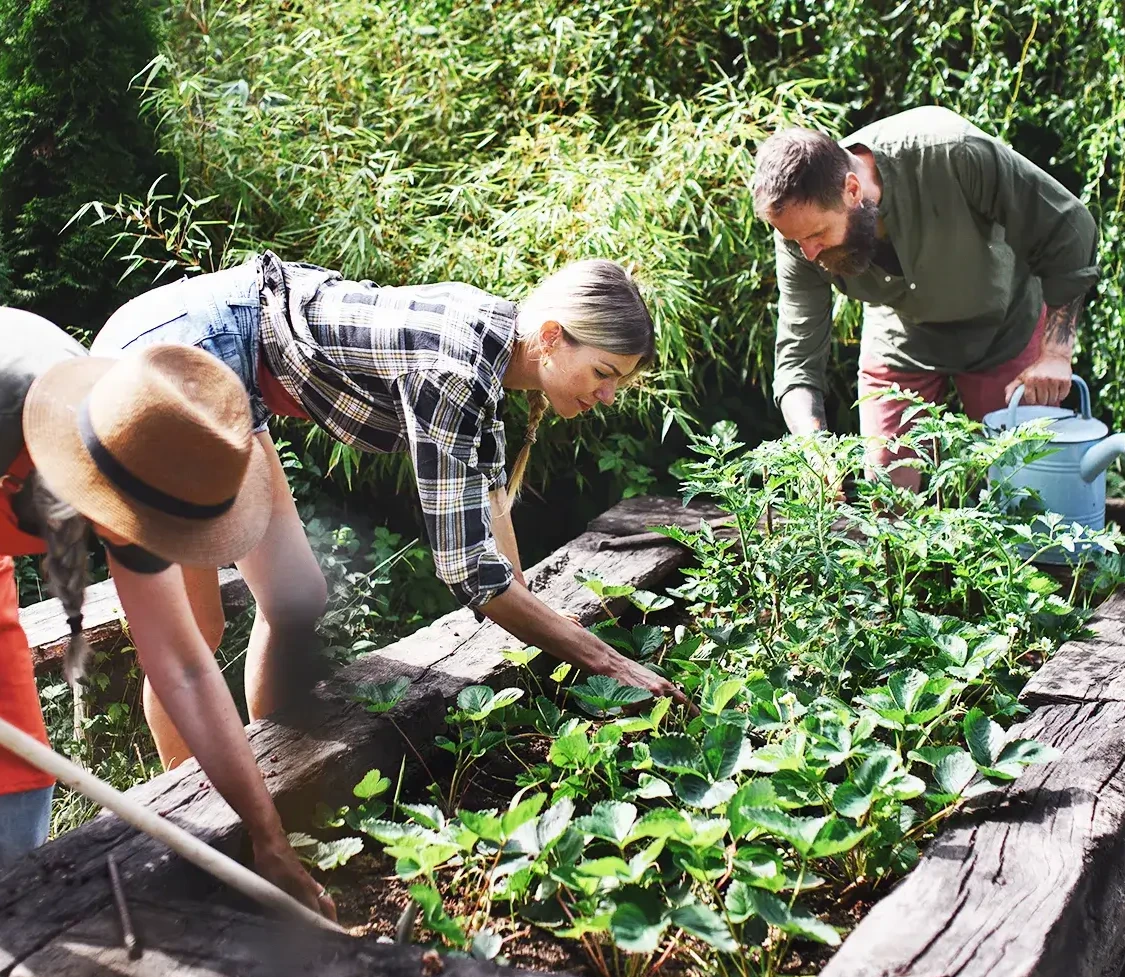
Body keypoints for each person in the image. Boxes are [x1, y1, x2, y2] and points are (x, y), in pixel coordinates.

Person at [91, 254, 689, 768]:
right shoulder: (454, 371)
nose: (608, 395)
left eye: (620, 383)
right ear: (554, 337)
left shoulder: (496, 344)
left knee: (295, 599)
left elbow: (493, 525)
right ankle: (202, 825)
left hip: (225, 350)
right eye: (605, 373)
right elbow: (467, 573)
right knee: (193, 632)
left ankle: (277, 774)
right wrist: (605, 659)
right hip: (177, 359)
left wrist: (539, 632)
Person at [0, 308, 334, 920]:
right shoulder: (29, 425)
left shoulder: (138, 450)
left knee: (16, 787)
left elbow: (183, 665)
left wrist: (268, 835)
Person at [751, 105, 1100, 485]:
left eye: (817, 235)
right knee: (886, 494)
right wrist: (813, 449)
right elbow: (797, 357)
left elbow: (1070, 227)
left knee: (1021, 485)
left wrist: (1057, 352)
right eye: (796, 241)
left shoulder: (954, 152)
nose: (809, 253)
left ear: (852, 190)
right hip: (902, 338)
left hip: (1005, 326)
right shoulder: (801, 230)